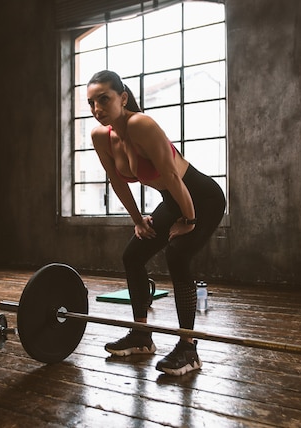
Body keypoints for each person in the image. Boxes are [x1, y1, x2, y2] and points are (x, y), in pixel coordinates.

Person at [87, 70, 226, 376]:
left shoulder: (141, 124)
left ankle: (188, 349)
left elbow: (174, 176)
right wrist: (137, 220)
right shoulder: (102, 137)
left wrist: (189, 220)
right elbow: (118, 182)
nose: (97, 108)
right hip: (174, 199)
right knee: (132, 256)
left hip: (202, 199)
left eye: (104, 99)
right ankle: (141, 335)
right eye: (91, 103)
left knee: (177, 254)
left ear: (123, 98)